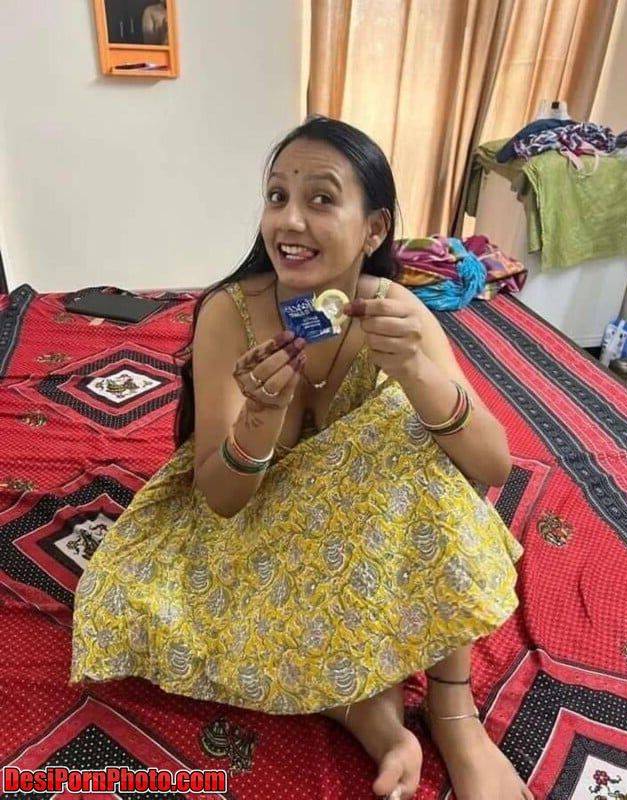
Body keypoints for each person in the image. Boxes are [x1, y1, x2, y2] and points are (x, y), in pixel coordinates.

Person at [70, 115, 531, 800]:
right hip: (252, 531)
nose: (289, 220)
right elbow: (220, 499)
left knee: (419, 448)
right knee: (132, 608)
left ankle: (452, 709)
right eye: (277, 196)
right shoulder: (232, 315)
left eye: (321, 198)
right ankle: (366, 711)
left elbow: (492, 468)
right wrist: (261, 415)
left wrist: (418, 372)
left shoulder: (395, 311)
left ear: (373, 230)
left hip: (359, 530)